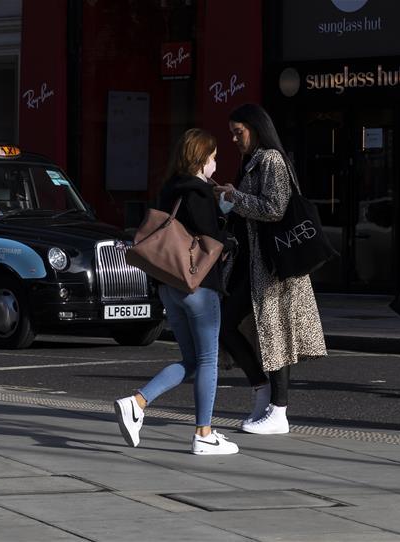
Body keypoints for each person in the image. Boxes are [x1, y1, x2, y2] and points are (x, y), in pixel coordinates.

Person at [113, 128, 238, 455]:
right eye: (213, 157)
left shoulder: (170, 189)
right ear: (201, 159)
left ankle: (137, 402)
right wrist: (224, 212)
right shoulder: (199, 193)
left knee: (191, 360)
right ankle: (203, 433)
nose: (215, 163)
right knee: (208, 359)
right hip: (198, 287)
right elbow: (210, 239)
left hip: (169, 285)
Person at [218, 103, 327, 435]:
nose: (235, 140)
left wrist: (235, 197)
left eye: (239, 133)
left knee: (275, 333)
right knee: (227, 324)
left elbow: (276, 208)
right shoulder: (252, 161)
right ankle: (262, 391)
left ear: (256, 128)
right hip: (253, 265)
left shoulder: (271, 160)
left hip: (275, 267)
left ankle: (279, 411)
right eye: (232, 134)